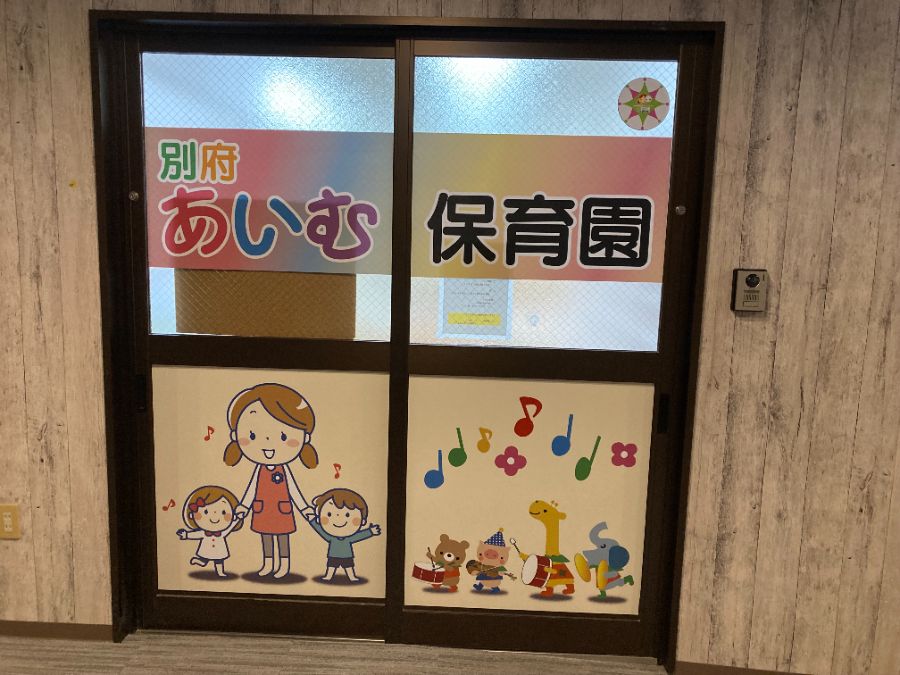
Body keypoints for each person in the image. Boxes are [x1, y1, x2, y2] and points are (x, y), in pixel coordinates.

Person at [224, 383, 318, 579]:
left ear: (304, 438)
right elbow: (252, 489)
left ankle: (284, 565)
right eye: (253, 435)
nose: (268, 443)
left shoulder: (284, 469)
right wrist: (243, 507)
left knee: (283, 537)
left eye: (283, 436)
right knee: (265, 536)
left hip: (281, 509)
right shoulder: (259, 469)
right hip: (262, 508)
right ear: (235, 435)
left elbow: (293, 490)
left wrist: (305, 509)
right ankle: (268, 563)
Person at [306, 488, 381, 582]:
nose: (339, 519)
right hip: (333, 555)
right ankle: (328, 576)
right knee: (331, 566)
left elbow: (360, 535)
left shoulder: (349, 538)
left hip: (347, 555)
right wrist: (312, 520)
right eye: (329, 514)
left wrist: (370, 532)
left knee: (349, 566)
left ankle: (352, 577)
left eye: (347, 515)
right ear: (319, 518)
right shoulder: (330, 537)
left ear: (362, 521)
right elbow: (320, 530)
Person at [176, 485, 244, 578]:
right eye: (206, 512)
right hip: (206, 549)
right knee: (204, 559)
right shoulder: (203, 533)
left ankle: (220, 572)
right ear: (192, 515)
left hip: (219, 550)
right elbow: (195, 534)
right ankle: (199, 561)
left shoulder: (222, 533)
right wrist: (186, 535)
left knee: (219, 561)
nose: (214, 516)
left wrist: (237, 519)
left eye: (223, 512)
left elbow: (231, 526)